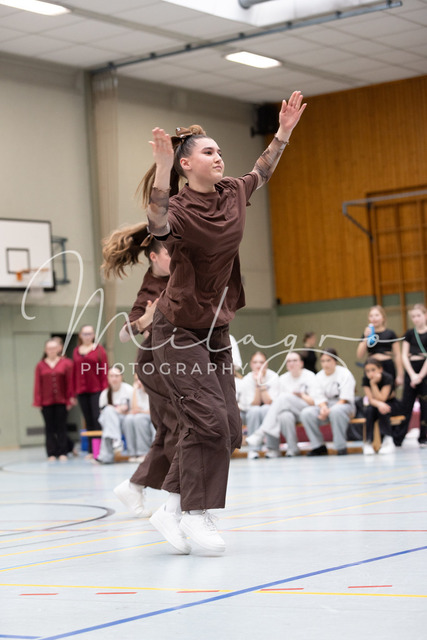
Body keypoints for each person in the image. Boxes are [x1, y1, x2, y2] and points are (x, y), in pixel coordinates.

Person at [138, 91, 306, 553]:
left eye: (219, 151)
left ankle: (172, 507)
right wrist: (160, 167)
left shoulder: (233, 192)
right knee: (208, 420)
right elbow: (155, 224)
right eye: (208, 152)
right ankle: (196, 515)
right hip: (176, 331)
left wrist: (283, 132)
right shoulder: (179, 209)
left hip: (216, 329)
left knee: (228, 427)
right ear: (186, 165)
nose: (218, 157)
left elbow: (262, 171)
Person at [101, 225, 177, 519]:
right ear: (155, 257)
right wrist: (145, 319)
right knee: (179, 426)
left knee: (168, 430)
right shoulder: (150, 289)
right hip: (154, 364)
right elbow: (123, 334)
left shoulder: (176, 277)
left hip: (171, 363)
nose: (175, 258)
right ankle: (178, 498)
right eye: (169, 253)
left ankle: (134, 487)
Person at [245, 351, 315, 457]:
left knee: (283, 398)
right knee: (284, 416)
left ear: (301, 363)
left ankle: (261, 432)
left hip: (306, 409)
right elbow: (277, 405)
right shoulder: (283, 379)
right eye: (289, 361)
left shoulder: (310, 376)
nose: (292, 363)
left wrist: (301, 395)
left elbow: (314, 402)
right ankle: (293, 449)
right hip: (289, 411)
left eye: (295, 360)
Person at [300, 348, 356, 456]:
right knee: (306, 413)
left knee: (336, 411)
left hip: (344, 405)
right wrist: (323, 408)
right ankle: (318, 446)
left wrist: (329, 410)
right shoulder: (318, 376)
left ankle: (340, 447)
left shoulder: (345, 374)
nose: (326, 364)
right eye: (323, 361)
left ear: (335, 361)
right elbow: (318, 396)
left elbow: (345, 398)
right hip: (325, 405)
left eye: (328, 360)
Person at [33, 339, 75, 461]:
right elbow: (37, 384)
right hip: (46, 402)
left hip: (62, 401)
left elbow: (70, 382)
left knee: (61, 426)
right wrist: (38, 401)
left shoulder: (66, 363)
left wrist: (70, 398)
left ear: (58, 349)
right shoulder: (40, 365)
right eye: (49, 348)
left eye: (54, 348)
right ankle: (51, 452)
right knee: (49, 427)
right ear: (45, 350)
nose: (51, 351)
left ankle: (63, 451)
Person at [72, 325, 108, 459]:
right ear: (80, 335)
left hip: (96, 390)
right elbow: (74, 372)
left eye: (90, 334)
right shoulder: (76, 351)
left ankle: (99, 450)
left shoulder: (99, 350)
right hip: (81, 390)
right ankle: (91, 451)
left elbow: (104, 369)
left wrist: (105, 390)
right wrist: (73, 392)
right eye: (85, 334)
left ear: (93, 335)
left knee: (97, 418)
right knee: (87, 419)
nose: (87, 336)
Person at [239, 351, 280, 459]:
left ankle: (272, 448)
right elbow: (254, 403)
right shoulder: (246, 380)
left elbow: (269, 402)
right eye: (255, 362)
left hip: (270, 409)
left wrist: (262, 385)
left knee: (267, 409)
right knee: (255, 410)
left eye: (261, 362)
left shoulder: (274, 376)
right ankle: (253, 449)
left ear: (266, 364)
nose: (258, 365)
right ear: (251, 364)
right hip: (251, 412)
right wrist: (258, 384)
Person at [397, 304, 427, 448]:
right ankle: (398, 438)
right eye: (413, 316)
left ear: (425, 315)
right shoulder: (409, 333)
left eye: (418, 315)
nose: (416, 319)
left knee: (425, 405)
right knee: (406, 405)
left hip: (424, 371)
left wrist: (420, 376)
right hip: (411, 370)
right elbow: (404, 355)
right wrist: (412, 375)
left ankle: (423, 437)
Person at [362, 357, 402, 455]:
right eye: (367, 371)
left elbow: (382, 398)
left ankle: (388, 440)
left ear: (380, 369)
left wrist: (373, 384)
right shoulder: (365, 379)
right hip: (375, 405)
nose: (370, 373)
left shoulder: (387, 377)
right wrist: (379, 404)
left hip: (390, 404)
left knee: (383, 409)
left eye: (373, 370)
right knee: (369, 410)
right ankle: (368, 442)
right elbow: (370, 399)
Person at [95, 367, 133, 464]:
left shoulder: (129, 390)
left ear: (121, 377)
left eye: (116, 376)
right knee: (109, 412)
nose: (114, 378)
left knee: (109, 428)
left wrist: (120, 412)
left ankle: (105, 456)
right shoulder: (104, 394)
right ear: (108, 378)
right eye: (111, 376)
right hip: (110, 421)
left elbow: (135, 410)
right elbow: (103, 414)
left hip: (126, 419)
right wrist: (116, 410)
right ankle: (116, 441)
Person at [356, 305, 403, 385]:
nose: (374, 318)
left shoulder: (390, 333)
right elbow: (359, 355)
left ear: (383, 317)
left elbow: (397, 355)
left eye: (377, 315)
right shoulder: (367, 334)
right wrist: (366, 337)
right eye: (371, 316)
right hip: (371, 366)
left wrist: (400, 375)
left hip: (387, 365)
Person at [122, 376, 155, 462]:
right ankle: (132, 453)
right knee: (128, 419)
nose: (139, 382)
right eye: (137, 380)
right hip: (141, 415)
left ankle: (143, 452)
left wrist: (141, 412)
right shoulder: (136, 391)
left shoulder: (153, 390)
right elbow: (134, 409)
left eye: (140, 379)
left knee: (139, 419)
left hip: (151, 416)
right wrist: (134, 391)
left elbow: (153, 411)